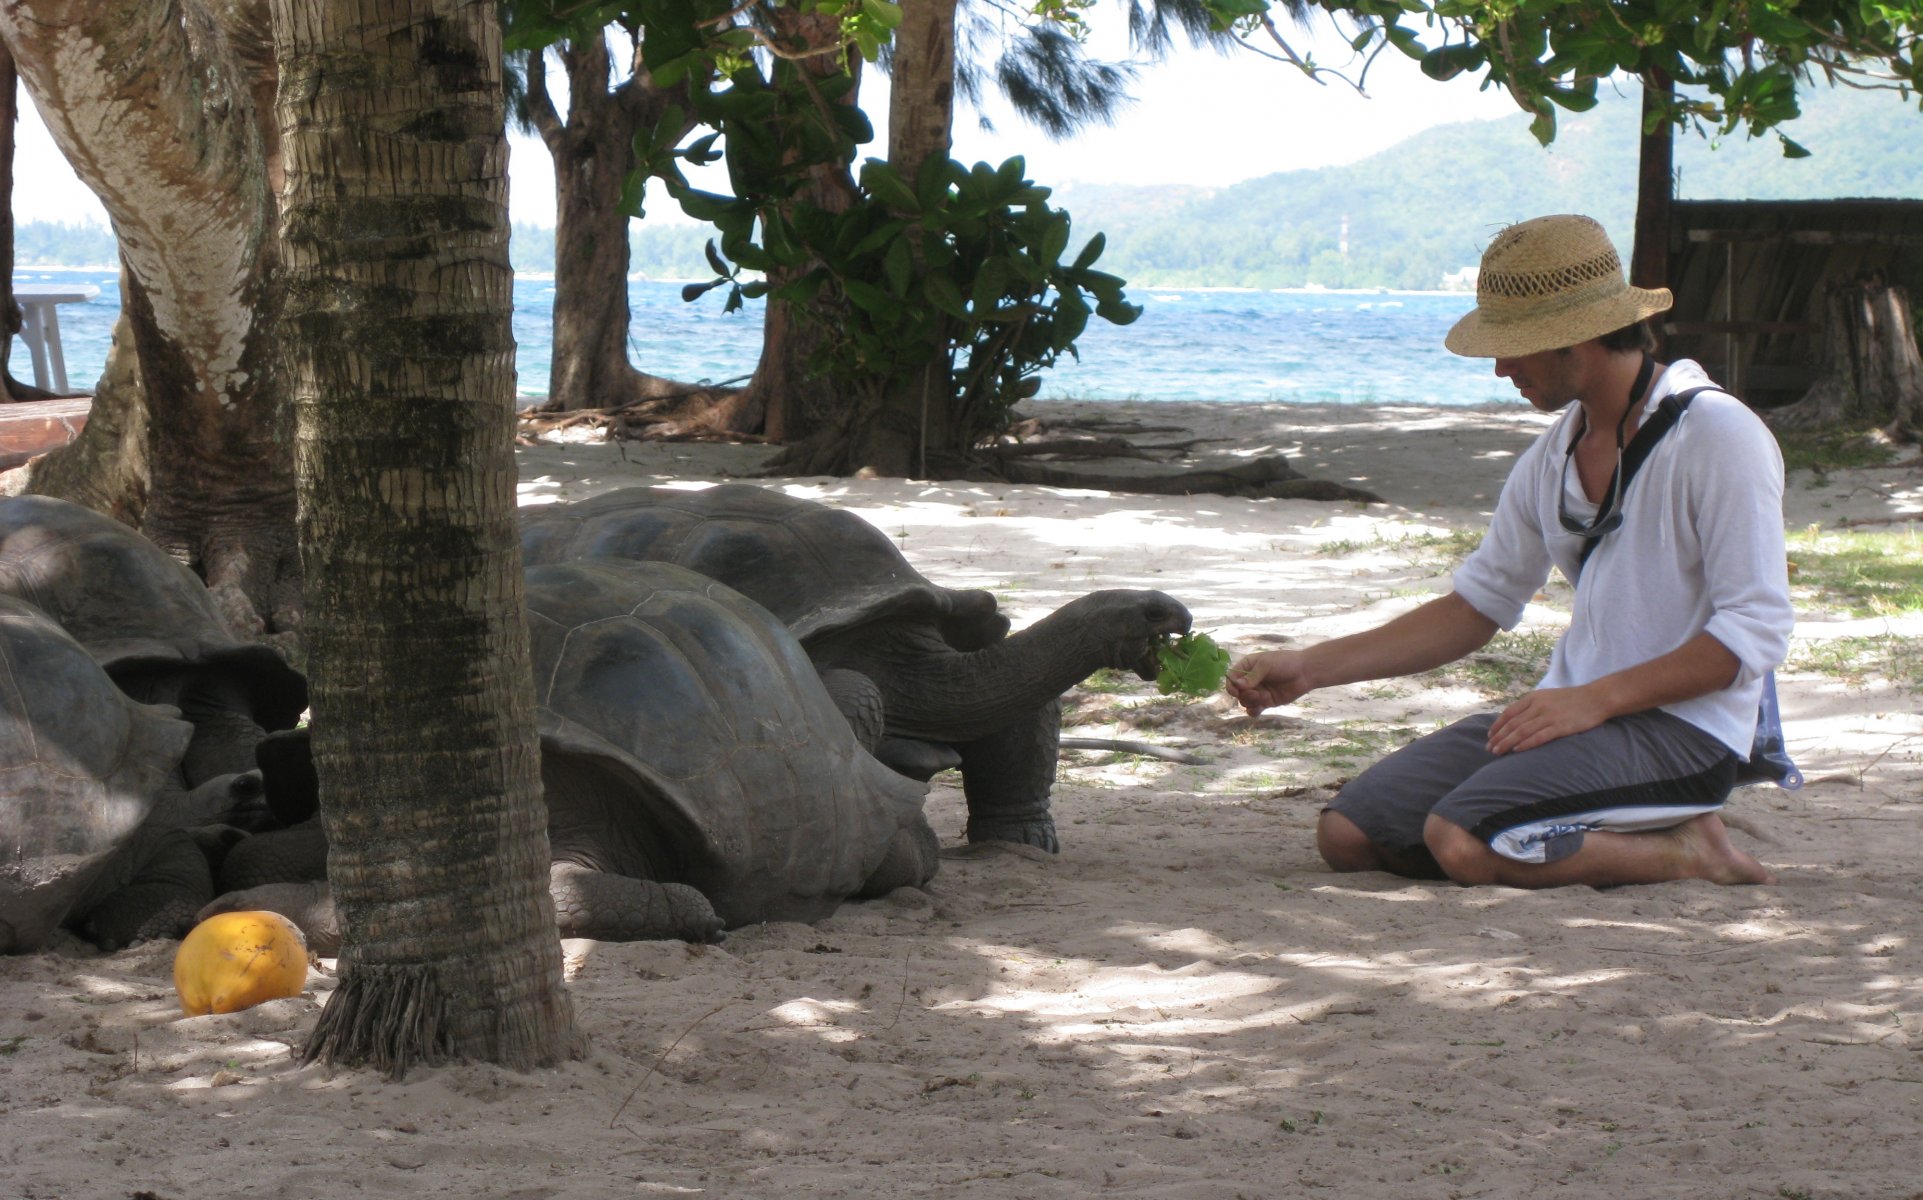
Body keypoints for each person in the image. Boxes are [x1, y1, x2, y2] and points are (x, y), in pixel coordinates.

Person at [1227, 214, 1792, 889]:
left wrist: (1594, 700)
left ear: (1575, 339)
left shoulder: (1718, 434)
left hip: (1684, 733)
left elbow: (1753, 629)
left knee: (1461, 838)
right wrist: (1309, 668)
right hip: (1574, 716)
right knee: (1347, 833)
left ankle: (1686, 852)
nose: (1499, 368)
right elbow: (1476, 606)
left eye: (1514, 346)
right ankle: (1604, 828)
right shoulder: (1550, 455)